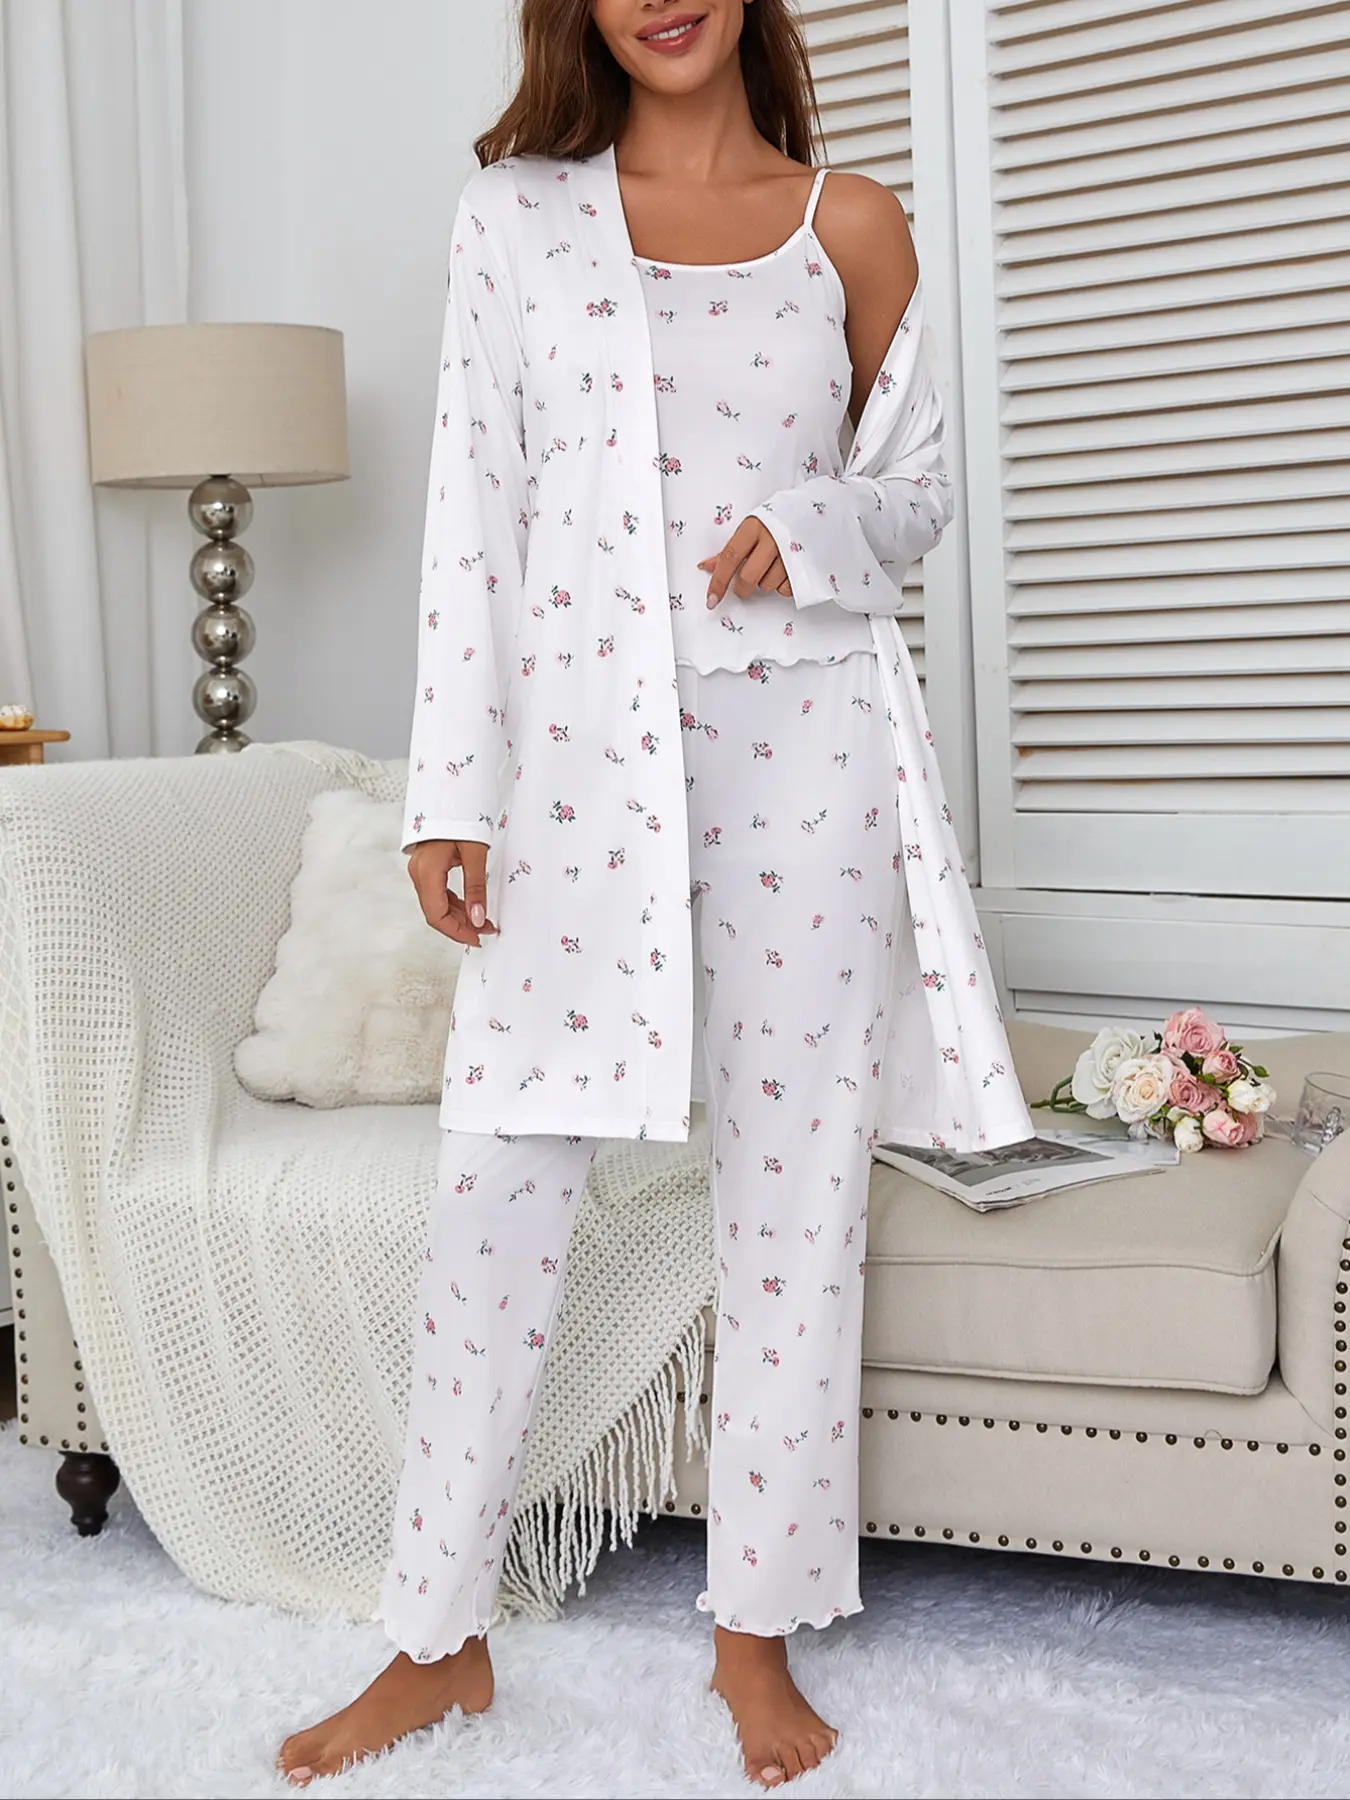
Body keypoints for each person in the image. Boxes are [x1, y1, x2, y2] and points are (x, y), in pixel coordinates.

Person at [280, 0, 1032, 1787]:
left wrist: (813, 523)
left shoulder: (850, 223)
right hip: (578, 770)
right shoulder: (516, 218)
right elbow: (474, 513)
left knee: (793, 1200)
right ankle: (434, 1637)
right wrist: (451, 792)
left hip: (809, 756)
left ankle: (752, 1633)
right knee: (497, 1193)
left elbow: (915, 492)